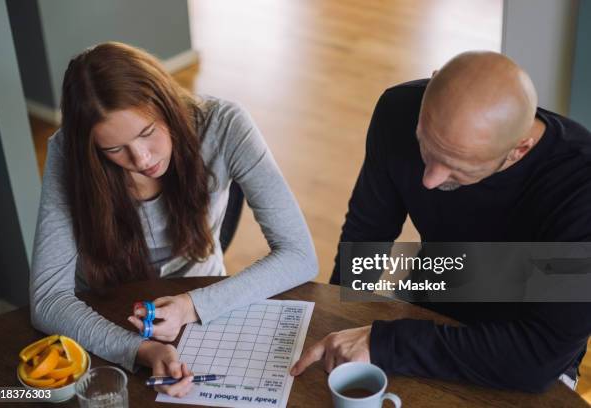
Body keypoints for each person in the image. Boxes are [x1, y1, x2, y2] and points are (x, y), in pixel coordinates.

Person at [291, 51, 591, 392]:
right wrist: (339, 317)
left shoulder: (581, 185)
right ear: (432, 84)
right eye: (426, 145)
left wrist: (386, 342)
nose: (430, 180)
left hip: (520, 346)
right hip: (432, 296)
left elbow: (539, 355)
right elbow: (368, 231)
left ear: (519, 150)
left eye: (458, 170)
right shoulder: (398, 109)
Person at [30, 42, 317, 398]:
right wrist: (141, 350)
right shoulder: (67, 153)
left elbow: (300, 256)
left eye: (147, 132)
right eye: (114, 149)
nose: (141, 158)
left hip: (205, 301)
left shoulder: (224, 125)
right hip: (101, 315)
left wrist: (193, 306)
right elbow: (48, 300)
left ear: (167, 104)